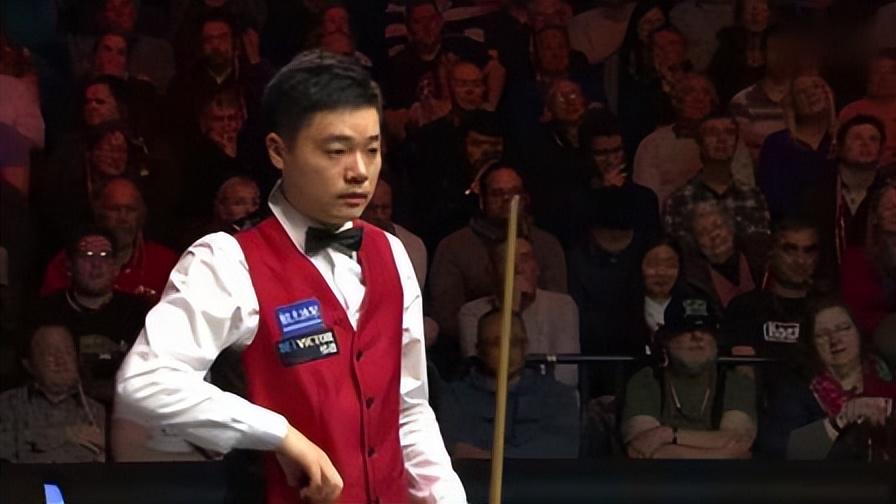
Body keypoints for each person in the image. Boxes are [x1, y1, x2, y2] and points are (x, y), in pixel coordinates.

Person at [115, 51, 466, 504]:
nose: (360, 171)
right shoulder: (228, 260)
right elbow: (144, 382)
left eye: (372, 149)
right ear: (279, 151)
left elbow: (408, 408)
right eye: (336, 151)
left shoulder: (391, 253)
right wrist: (278, 433)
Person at [620, 294, 757, 459]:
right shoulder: (647, 380)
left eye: (706, 329)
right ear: (666, 339)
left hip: (723, 476)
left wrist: (668, 435)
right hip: (661, 476)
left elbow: (737, 440)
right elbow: (640, 449)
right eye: (686, 328)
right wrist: (723, 454)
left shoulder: (735, 382)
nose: (698, 336)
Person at [762, 299, 896, 459]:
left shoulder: (887, 382)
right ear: (811, 344)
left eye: (843, 329)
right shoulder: (795, 391)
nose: (835, 340)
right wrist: (841, 420)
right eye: (822, 335)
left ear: (859, 332)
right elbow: (780, 450)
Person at [438, 309, 580, 459]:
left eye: (515, 343)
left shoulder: (558, 396)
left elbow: (561, 449)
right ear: (480, 350)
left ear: (526, 346)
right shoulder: (455, 397)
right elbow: (456, 449)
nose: (507, 351)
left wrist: (490, 458)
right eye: (496, 343)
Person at [38, 228, 150, 404]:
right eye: (87, 255)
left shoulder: (140, 312)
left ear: (116, 267)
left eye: (105, 255)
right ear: (69, 265)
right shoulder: (46, 312)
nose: (96, 264)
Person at [458, 235, 580, 386]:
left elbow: (567, 375)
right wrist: (512, 307)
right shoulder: (471, 313)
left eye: (525, 259)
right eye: (508, 261)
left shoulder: (562, 306)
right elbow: (482, 373)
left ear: (537, 268)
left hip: (550, 396)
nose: (518, 269)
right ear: (492, 271)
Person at [0, 322, 106, 463]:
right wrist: (64, 434)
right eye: (49, 353)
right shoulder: (8, 404)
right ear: (29, 365)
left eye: (68, 351)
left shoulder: (96, 410)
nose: (61, 360)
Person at [663, 112, 770, 244]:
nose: (722, 139)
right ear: (700, 143)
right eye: (712, 133)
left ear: (737, 142)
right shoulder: (679, 200)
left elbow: (760, 248)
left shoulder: (753, 197)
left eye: (729, 133)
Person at [757, 74, 836, 221]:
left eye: (816, 87)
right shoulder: (776, 144)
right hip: (791, 228)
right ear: (792, 103)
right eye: (802, 92)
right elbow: (771, 197)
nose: (811, 94)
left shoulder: (843, 139)